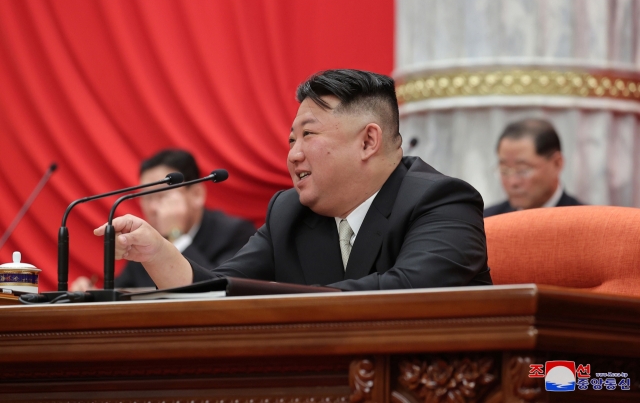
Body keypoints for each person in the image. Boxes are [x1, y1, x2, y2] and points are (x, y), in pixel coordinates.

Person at [95, 69, 492, 291]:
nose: (293, 154)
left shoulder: (443, 201)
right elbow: (217, 289)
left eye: (309, 135)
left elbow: (408, 292)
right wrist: (158, 253)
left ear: (369, 140)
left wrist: (271, 299)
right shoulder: (289, 212)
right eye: (290, 139)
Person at [73, 149, 256, 289]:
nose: (153, 208)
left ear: (197, 194)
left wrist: (174, 235)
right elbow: (124, 290)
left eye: (161, 195)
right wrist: (90, 292)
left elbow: (217, 287)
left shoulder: (236, 234)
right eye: (147, 197)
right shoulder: (144, 241)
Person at [484, 119, 582, 218]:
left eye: (522, 170)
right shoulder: (489, 221)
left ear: (557, 164)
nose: (513, 182)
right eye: (504, 170)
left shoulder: (584, 222)